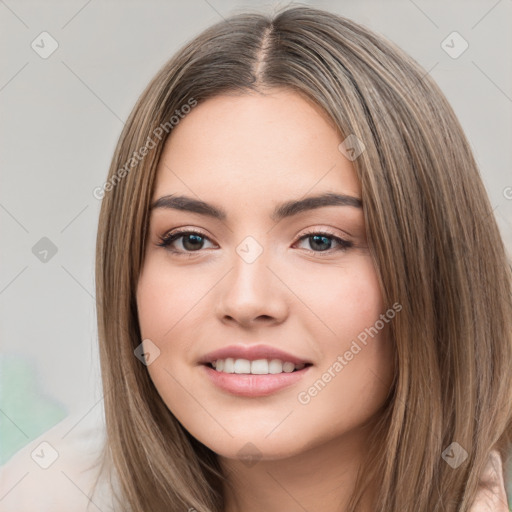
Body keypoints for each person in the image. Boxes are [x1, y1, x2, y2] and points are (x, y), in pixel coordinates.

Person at [2, 5, 511, 511]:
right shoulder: (41, 495)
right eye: (191, 240)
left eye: (320, 240)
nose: (246, 300)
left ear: (435, 271)